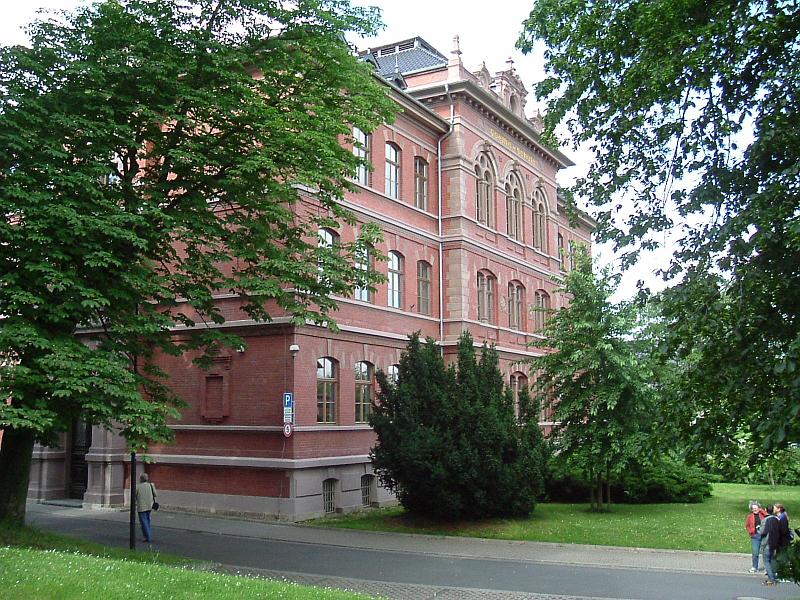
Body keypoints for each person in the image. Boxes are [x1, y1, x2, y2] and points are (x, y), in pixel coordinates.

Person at [760, 504, 790, 586]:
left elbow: (764, 532)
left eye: (775, 508)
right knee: (772, 560)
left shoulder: (772, 520)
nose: (774, 509)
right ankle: (774, 577)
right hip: (775, 544)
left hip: (770, 543)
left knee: (767, 561)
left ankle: (771, 579)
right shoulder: (777, 519)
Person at [746, 501, 768, 573]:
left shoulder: (762, 515)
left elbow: (768, 516)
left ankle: (767, 568)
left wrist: (761, 510)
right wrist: (751, 532)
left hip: (763, 536)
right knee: (755, 552)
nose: (755, 510)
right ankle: (754, 567)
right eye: (753, 508)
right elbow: (747, 525)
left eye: (756, 508)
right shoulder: (750, 516)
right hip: (755, 536)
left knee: (765, 552)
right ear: (751, 509)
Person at [135, 473, 157, 543]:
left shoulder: (137, 486)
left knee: (143, 522)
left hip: (141, 507)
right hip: (149, 505)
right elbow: (155, 494)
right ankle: (147, 536)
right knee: (148, 520)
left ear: (141, 479)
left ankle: (148, 537)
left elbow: (134, 496)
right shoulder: (151, 485)